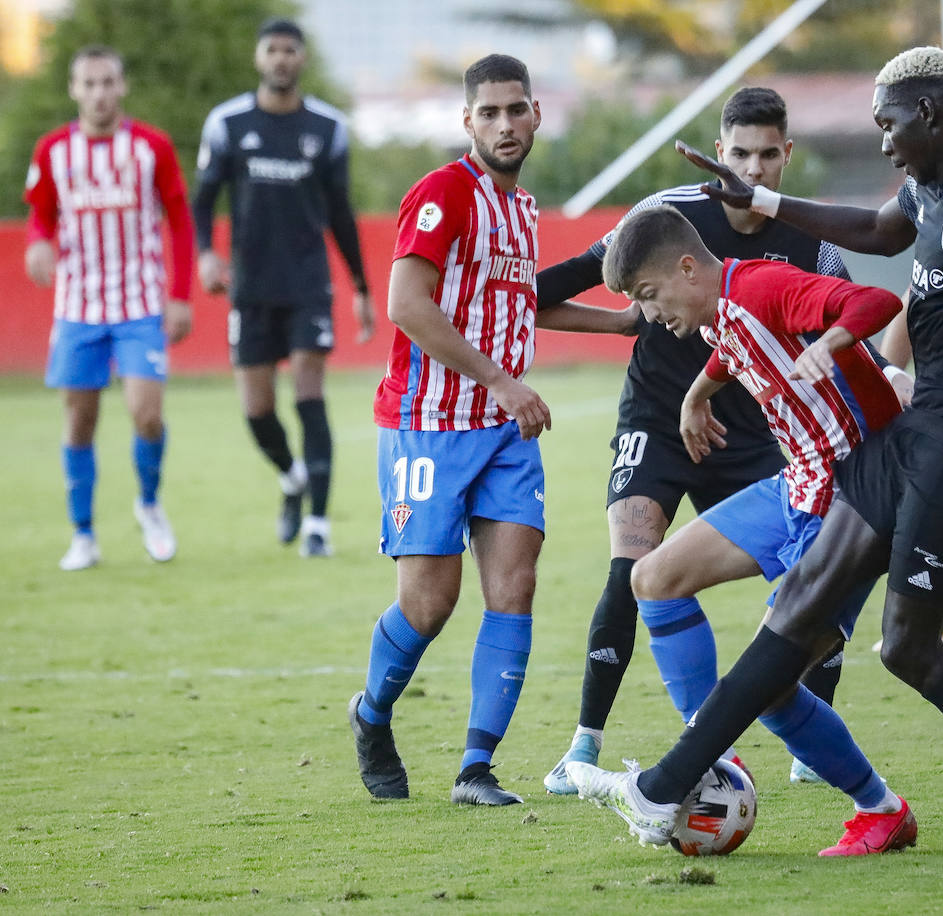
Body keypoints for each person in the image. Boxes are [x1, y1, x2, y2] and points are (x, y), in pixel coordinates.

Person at [568, 46, 943, 860]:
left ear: (932, 111)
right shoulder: (930, 188)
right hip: (918, 430)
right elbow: (875, 231)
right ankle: (663, 788)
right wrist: (762, 198)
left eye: (889, 124)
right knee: (800, 609)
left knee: (908, 647)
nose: (884, 142)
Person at [538, 88, 902, 794]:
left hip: (790, 445)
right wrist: (674, 376)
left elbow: (864, 310)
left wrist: (874, 367)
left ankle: (823, 761)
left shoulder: (803, 246)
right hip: (664, 419)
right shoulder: (670, 222)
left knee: (800, 651)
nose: (753, 170)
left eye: (768, 155)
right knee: (639, 570)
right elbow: (723, 336)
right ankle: (598, 743)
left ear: (787, 155)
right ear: (719, 152)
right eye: (740, 154)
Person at [347, 54, 637, 806]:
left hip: (505, 433)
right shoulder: (443, 193)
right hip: (428, 425)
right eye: (489, 113)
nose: (505, 125)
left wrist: (621, 324)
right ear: (467, 121)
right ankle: (371, 714)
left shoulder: (521, 207)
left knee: (515, 587)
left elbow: (519, 302)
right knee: (429, 605)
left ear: (536, 114)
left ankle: (475, 769)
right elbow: (407, 304)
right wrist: (503, 382)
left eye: (516, 110)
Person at [589, 204, 919, 855]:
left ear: (689, 268)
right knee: (652, 578)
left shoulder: (765, 286)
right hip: (797, 486)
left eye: (650, 295)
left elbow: (875, 301)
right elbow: (731, 348)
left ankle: (881, 809)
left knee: (771, 688)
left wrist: (831, 342)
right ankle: (713, 756)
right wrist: (695, 396)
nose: (648, 315)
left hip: (853, 502)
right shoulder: (718, 311)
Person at [193, 17, 374, 558]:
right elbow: (203, 199)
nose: (280, 58)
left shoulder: (327, 127)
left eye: (289, 50)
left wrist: (361, 286)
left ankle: (318, 525)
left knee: (308, 392)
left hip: (307, 285)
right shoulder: (227, 123)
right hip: (249, 287)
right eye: (271, 49)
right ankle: (292, 478)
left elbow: (340, 213)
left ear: (302, 58)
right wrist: (206, 253)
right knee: (256, 409)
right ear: (259, 58)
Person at [24, 45, 194, 570]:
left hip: (139, 302)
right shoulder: (53, 150)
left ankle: (149, 504)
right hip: (78, 306)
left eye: (107, 82)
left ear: (122, 86)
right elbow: (41, 215)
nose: (99, 93)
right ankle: (83, 534)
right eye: (89, 83)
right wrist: (38, 242)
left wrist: (180, 295)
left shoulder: (151, 147)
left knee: (147, 414)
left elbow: (180, 221)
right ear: (74, 89)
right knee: (80, 419)